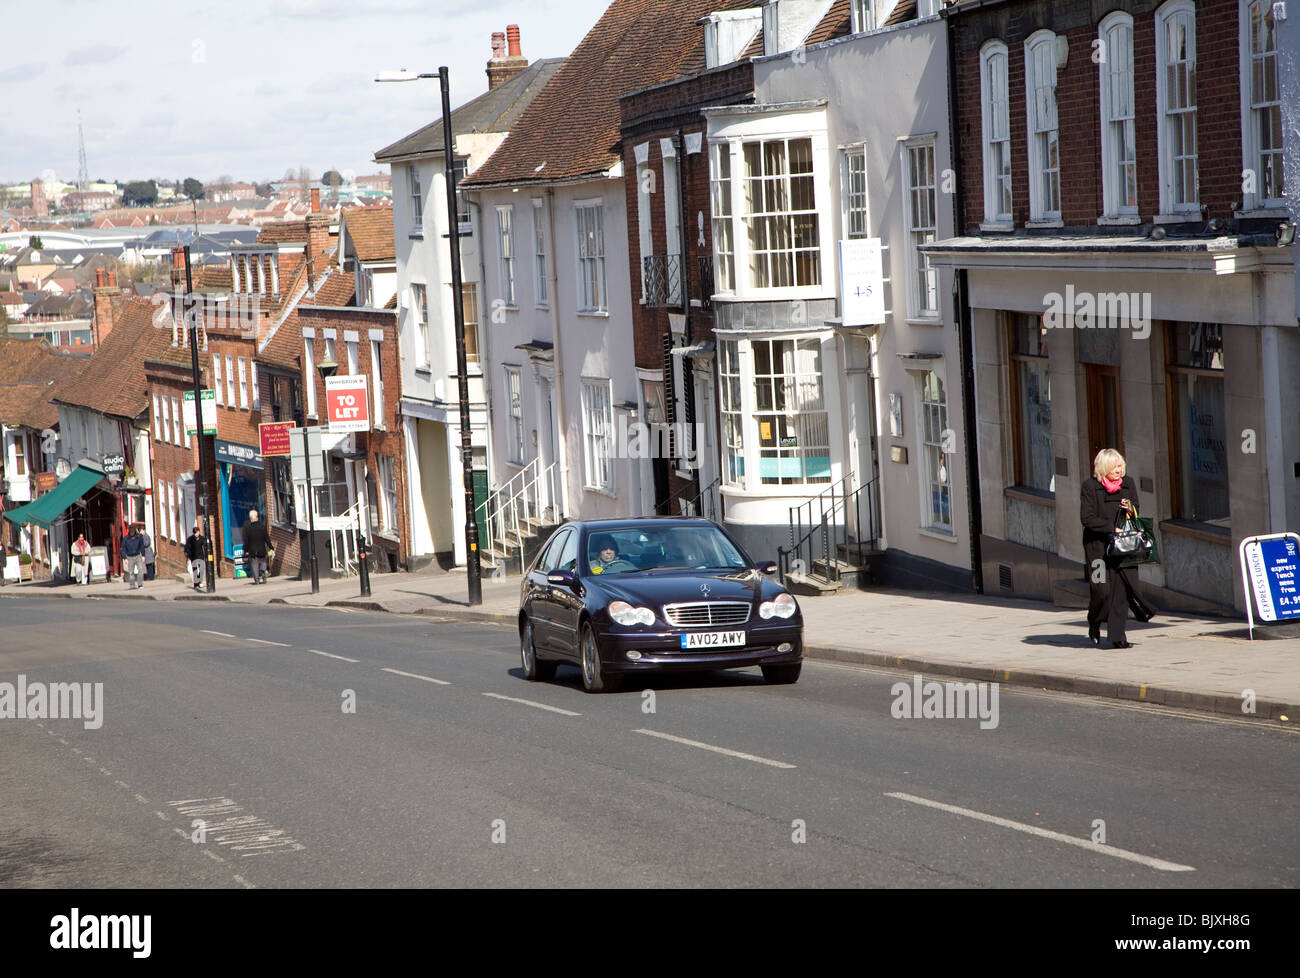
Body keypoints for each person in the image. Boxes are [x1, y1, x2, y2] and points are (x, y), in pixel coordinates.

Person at [1080, 448, 1153, 650]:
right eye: (1114, 467)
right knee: (1100, 590)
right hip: (1098, 548)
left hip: (1124, 546)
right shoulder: (1089, 487)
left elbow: (1136, 508)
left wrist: (1129, 507)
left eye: (1120, 466)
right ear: (1103, 468)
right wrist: (1111, 527)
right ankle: (1094, 622)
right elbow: (1087, 519)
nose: (1119, 471)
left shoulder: (1127, 484)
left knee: (1121, 592)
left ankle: (1117, 636)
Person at [241, 509, 271, 584]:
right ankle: (262, 570)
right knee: (263, 562)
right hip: (261, 549)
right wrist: (271, 547)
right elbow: (267, 538)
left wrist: (246, 550)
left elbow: (246, 540)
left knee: (254, 565)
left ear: (251, 519)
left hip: (252, 550)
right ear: (257, 517)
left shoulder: (248, 529)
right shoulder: (262, 527)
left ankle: (257, 580)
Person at [120, 524, 146, 590]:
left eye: (133, 532)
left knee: (140, 570)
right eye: (131, 532)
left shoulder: (139, 537)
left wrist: (143, 555)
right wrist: (125, 558)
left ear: (134, 531)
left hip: (138, 555)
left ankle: (140, 584)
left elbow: (142, 546)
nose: (132, 533)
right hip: (130, 556)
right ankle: (132, 585)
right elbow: (123, 548)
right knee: (131, 572)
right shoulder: (125, 539)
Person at [184, 525, 207, 590]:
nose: (197, 534)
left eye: (197, 532)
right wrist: (188, 555)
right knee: (195, 571)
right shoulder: (190, 539)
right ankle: (196, 584)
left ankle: (200, 581)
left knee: (201, 570)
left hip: (201, 556)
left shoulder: (202, 538)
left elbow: (205, 545)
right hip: (193, 556)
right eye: (195, 533)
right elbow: (187, 547)